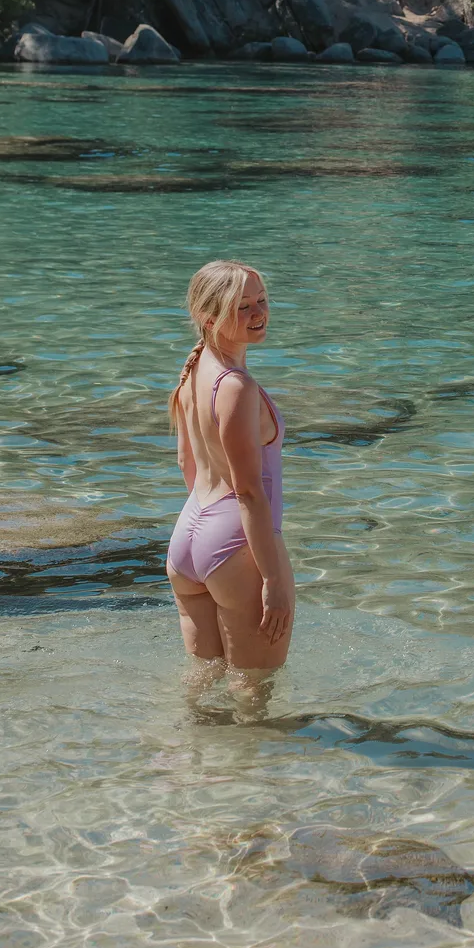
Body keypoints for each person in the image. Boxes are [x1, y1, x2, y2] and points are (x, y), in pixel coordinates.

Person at [166, 260, 294, 680]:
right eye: (242, 307)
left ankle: (183, 746)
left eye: (261, 301)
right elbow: (249, 492)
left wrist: (205, 535)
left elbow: (187, 462)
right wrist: (272, 579)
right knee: (254, 694)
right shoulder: (236, 386)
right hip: (235, 542)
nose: (258, 313)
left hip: (188, 537)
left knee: (202, 684)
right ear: (209, 316)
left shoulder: (195, 368)